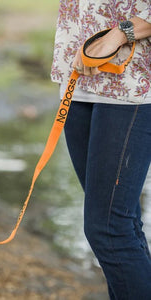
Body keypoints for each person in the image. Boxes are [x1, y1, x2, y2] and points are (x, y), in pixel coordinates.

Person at [51, 1, 151, 299]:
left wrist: (120, 34)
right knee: (123, 224)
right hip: (78, 83)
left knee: (108, 229)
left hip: (131, 87)